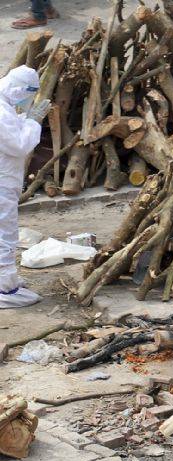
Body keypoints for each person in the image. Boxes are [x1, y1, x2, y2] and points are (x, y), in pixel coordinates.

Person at [0, 66, 50, 308]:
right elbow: (19, 144)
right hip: (2, 182)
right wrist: (33, 121)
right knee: (4, 232)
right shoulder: (1, 111)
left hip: (4, 178)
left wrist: (25, 120)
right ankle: (5, 288)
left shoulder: (4, 106)